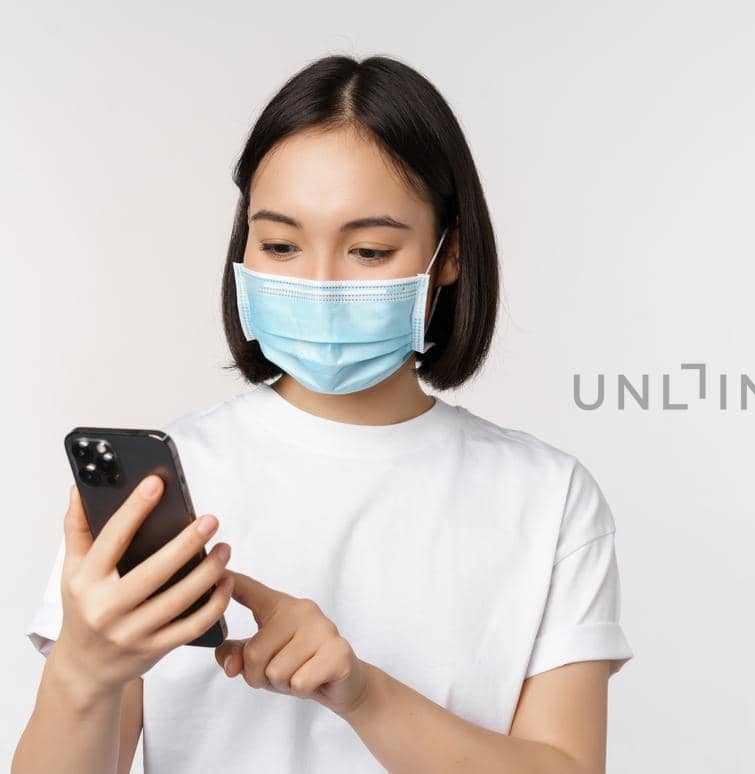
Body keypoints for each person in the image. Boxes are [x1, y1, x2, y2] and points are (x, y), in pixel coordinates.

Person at [12, 54, 633, 774]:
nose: (320, 283)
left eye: (368, 250)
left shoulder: (546, 499)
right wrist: (84, 672)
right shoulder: (164, 487)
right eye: (279, 245)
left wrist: (363, 694)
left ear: (451, 254)